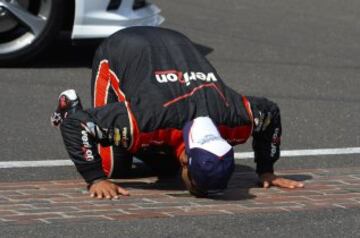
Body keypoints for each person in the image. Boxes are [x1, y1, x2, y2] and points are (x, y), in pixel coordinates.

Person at [51, 26, 303, 199]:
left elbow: (270, 113)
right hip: (124, 48)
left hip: (176, 42)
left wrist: (266, 170)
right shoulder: (145, 119)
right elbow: (77, 126)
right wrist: (94, 179)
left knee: (161, 163)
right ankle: (70, 105)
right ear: (185, 161)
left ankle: (143, 149)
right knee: (111, 167)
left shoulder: (237, 119)